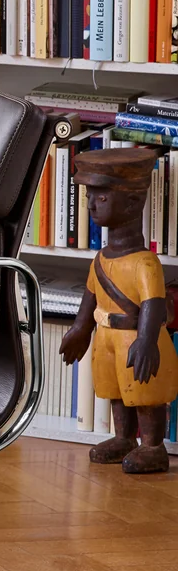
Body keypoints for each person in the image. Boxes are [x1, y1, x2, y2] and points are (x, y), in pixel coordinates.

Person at [60, 146, 178, 474]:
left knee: (144, 392)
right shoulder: (100, 259)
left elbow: (153, 303)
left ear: (132, 203)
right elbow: (90, 297)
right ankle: (123, 438)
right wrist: (80, 329)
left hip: (134, 337)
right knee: (115, 390)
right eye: (90, 196)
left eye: (101, 197)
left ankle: (152, 446)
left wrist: (147, 341)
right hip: (106, 337)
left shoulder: (145, 262)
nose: (90, 205)